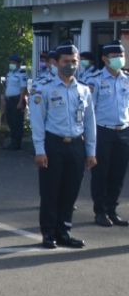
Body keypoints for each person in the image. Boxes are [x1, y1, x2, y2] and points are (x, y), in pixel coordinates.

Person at [30, 44, 96, 249]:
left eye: (74, 61)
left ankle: (64, 232)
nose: (71, 65)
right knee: (51, 192)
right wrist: (40, 150)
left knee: (70, 192)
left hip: (76, 145)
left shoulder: (83, 89)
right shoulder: (44, 88)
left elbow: (89, 122)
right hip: (53, 144)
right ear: (56, 63)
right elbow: (37, 121)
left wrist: (91, 152)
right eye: (66, 61)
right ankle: (48, 233)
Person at [90, 43, 129, 227]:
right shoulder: (95, 80)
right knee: (101, 174)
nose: (120, 58)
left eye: (121, 54)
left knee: (118, 174)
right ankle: (100, 211)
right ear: (105, 59)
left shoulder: (127, 79)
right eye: (115, 55)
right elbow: (89, 110)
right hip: (102, 131)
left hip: (123, 131)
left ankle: (112, 210)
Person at [4, 53, 29, 150]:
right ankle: (12, 141)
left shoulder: (22, 73)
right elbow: (7, 86)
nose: (11, 64)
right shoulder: (9, 74)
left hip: (17, 100)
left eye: (13, 62)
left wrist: (20, 102)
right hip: (10, 100)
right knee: (10, 121)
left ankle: (17, 144)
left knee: (17, 122)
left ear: (18, 64)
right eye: (10, 62)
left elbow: (23, 88)